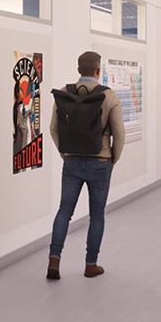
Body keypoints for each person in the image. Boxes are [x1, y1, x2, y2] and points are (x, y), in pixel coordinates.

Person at [46, 51, 125, 280]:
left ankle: (54, 260)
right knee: (97, 215)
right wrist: (113, 157)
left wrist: (65, 153)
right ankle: (91, 265)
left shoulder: (63, 94)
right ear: (98, 70)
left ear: (78, 70)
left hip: (71, 161)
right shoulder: (109, 96)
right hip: (100, 161)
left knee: (64, 211)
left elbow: (53, 129)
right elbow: (119, 133)